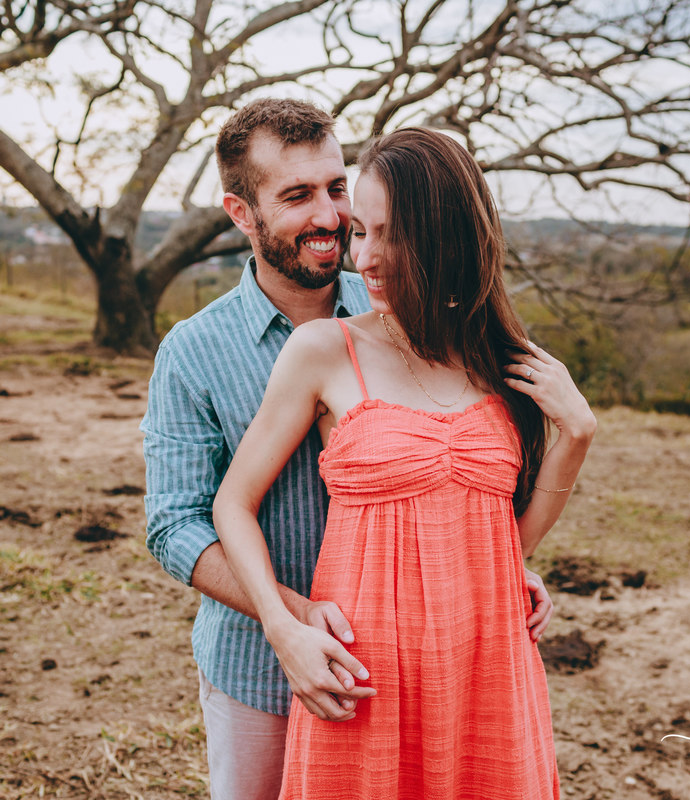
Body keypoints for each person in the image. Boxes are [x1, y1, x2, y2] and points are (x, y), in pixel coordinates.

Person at [141, 101, 555, 800]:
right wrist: (290, 616)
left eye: (336, 187)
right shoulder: (193, 352)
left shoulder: (403, 304)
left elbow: (456, 458)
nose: (330, 217)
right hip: (257, 669)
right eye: (297, 196)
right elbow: (175, 526)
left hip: (407, 670)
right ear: (242, 214)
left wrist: (483, 567)